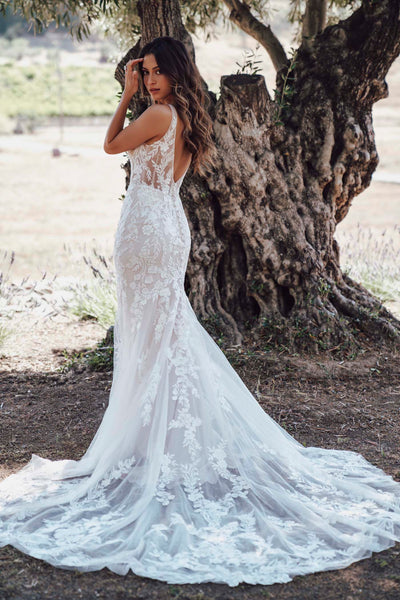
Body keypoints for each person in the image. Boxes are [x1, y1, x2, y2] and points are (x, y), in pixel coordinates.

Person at [1, 36, 400, 588]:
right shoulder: (187, 116)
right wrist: (138, 89)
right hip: (165, 226)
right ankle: (159, 438)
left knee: (156, 334)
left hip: (148, 231)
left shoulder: (157, 114)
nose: (151, 79)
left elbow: (111, 146)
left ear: (174, 74)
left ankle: (161, 441)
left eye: (157, 71)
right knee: (161, 334)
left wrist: (126, 94)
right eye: (146, 72)